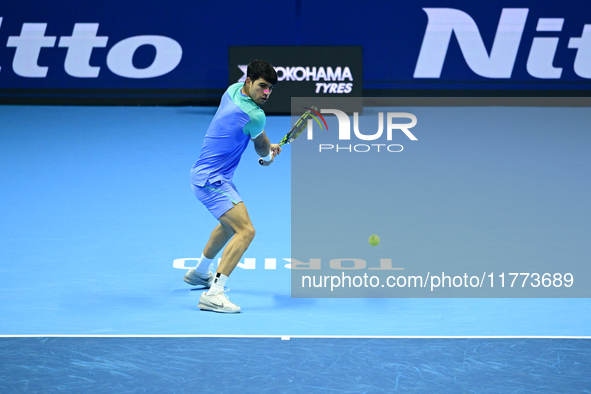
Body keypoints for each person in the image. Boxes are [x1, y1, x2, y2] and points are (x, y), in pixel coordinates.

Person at [183, 59, 280, 313]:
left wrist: (266, 145)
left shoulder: (233, 90)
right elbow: (260, 146)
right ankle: (213, 294)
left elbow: (257, 136)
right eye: (262, 86)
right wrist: (268, 156)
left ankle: (199, 273)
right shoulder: (255, 115)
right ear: (249, 82)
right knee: (246, 231)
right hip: (211, 181)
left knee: (228, 226)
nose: (266, 93)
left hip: (208, 175)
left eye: (270, 88)